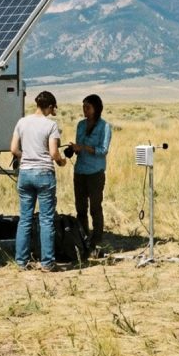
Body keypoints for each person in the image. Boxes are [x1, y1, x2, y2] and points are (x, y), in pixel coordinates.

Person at [10, 90, 67, 271]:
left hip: (25, 173)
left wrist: (25, 156)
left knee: (25, 219)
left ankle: (21, 261)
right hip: (44, 173)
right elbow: (53, 152)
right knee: (46, 219)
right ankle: (47, 262)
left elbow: (13, 149)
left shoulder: (22, 122)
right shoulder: (51, 125)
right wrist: (61, 161)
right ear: (50, 106)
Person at [67, 94, 112, 253]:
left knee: (95, 207)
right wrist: (74, 149)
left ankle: (97, 239)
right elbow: (79, 148)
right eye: (83, 107)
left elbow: (103, 150)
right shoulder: (80, 125)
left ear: (96, 108)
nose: (84, 110)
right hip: (80, 171)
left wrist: (84, 148)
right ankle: (83, 238)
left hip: (95, 172)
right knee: (80, 208)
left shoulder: (104, 126)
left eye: (88, 107)